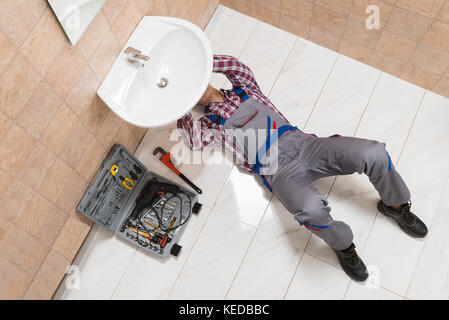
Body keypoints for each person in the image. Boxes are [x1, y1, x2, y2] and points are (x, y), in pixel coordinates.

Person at [177, 55, 428, 281]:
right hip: (277, 170)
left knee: (374, 153)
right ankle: (343, 247)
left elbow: (234, 65)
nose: (196, 87)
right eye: (190, 88)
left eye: (196, 80)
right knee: (310, 210)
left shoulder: (246, 89)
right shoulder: (209, 125)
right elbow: (193, 142)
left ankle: (395, 206)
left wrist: (197, 64)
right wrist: (181, 102)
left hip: (306, 146)